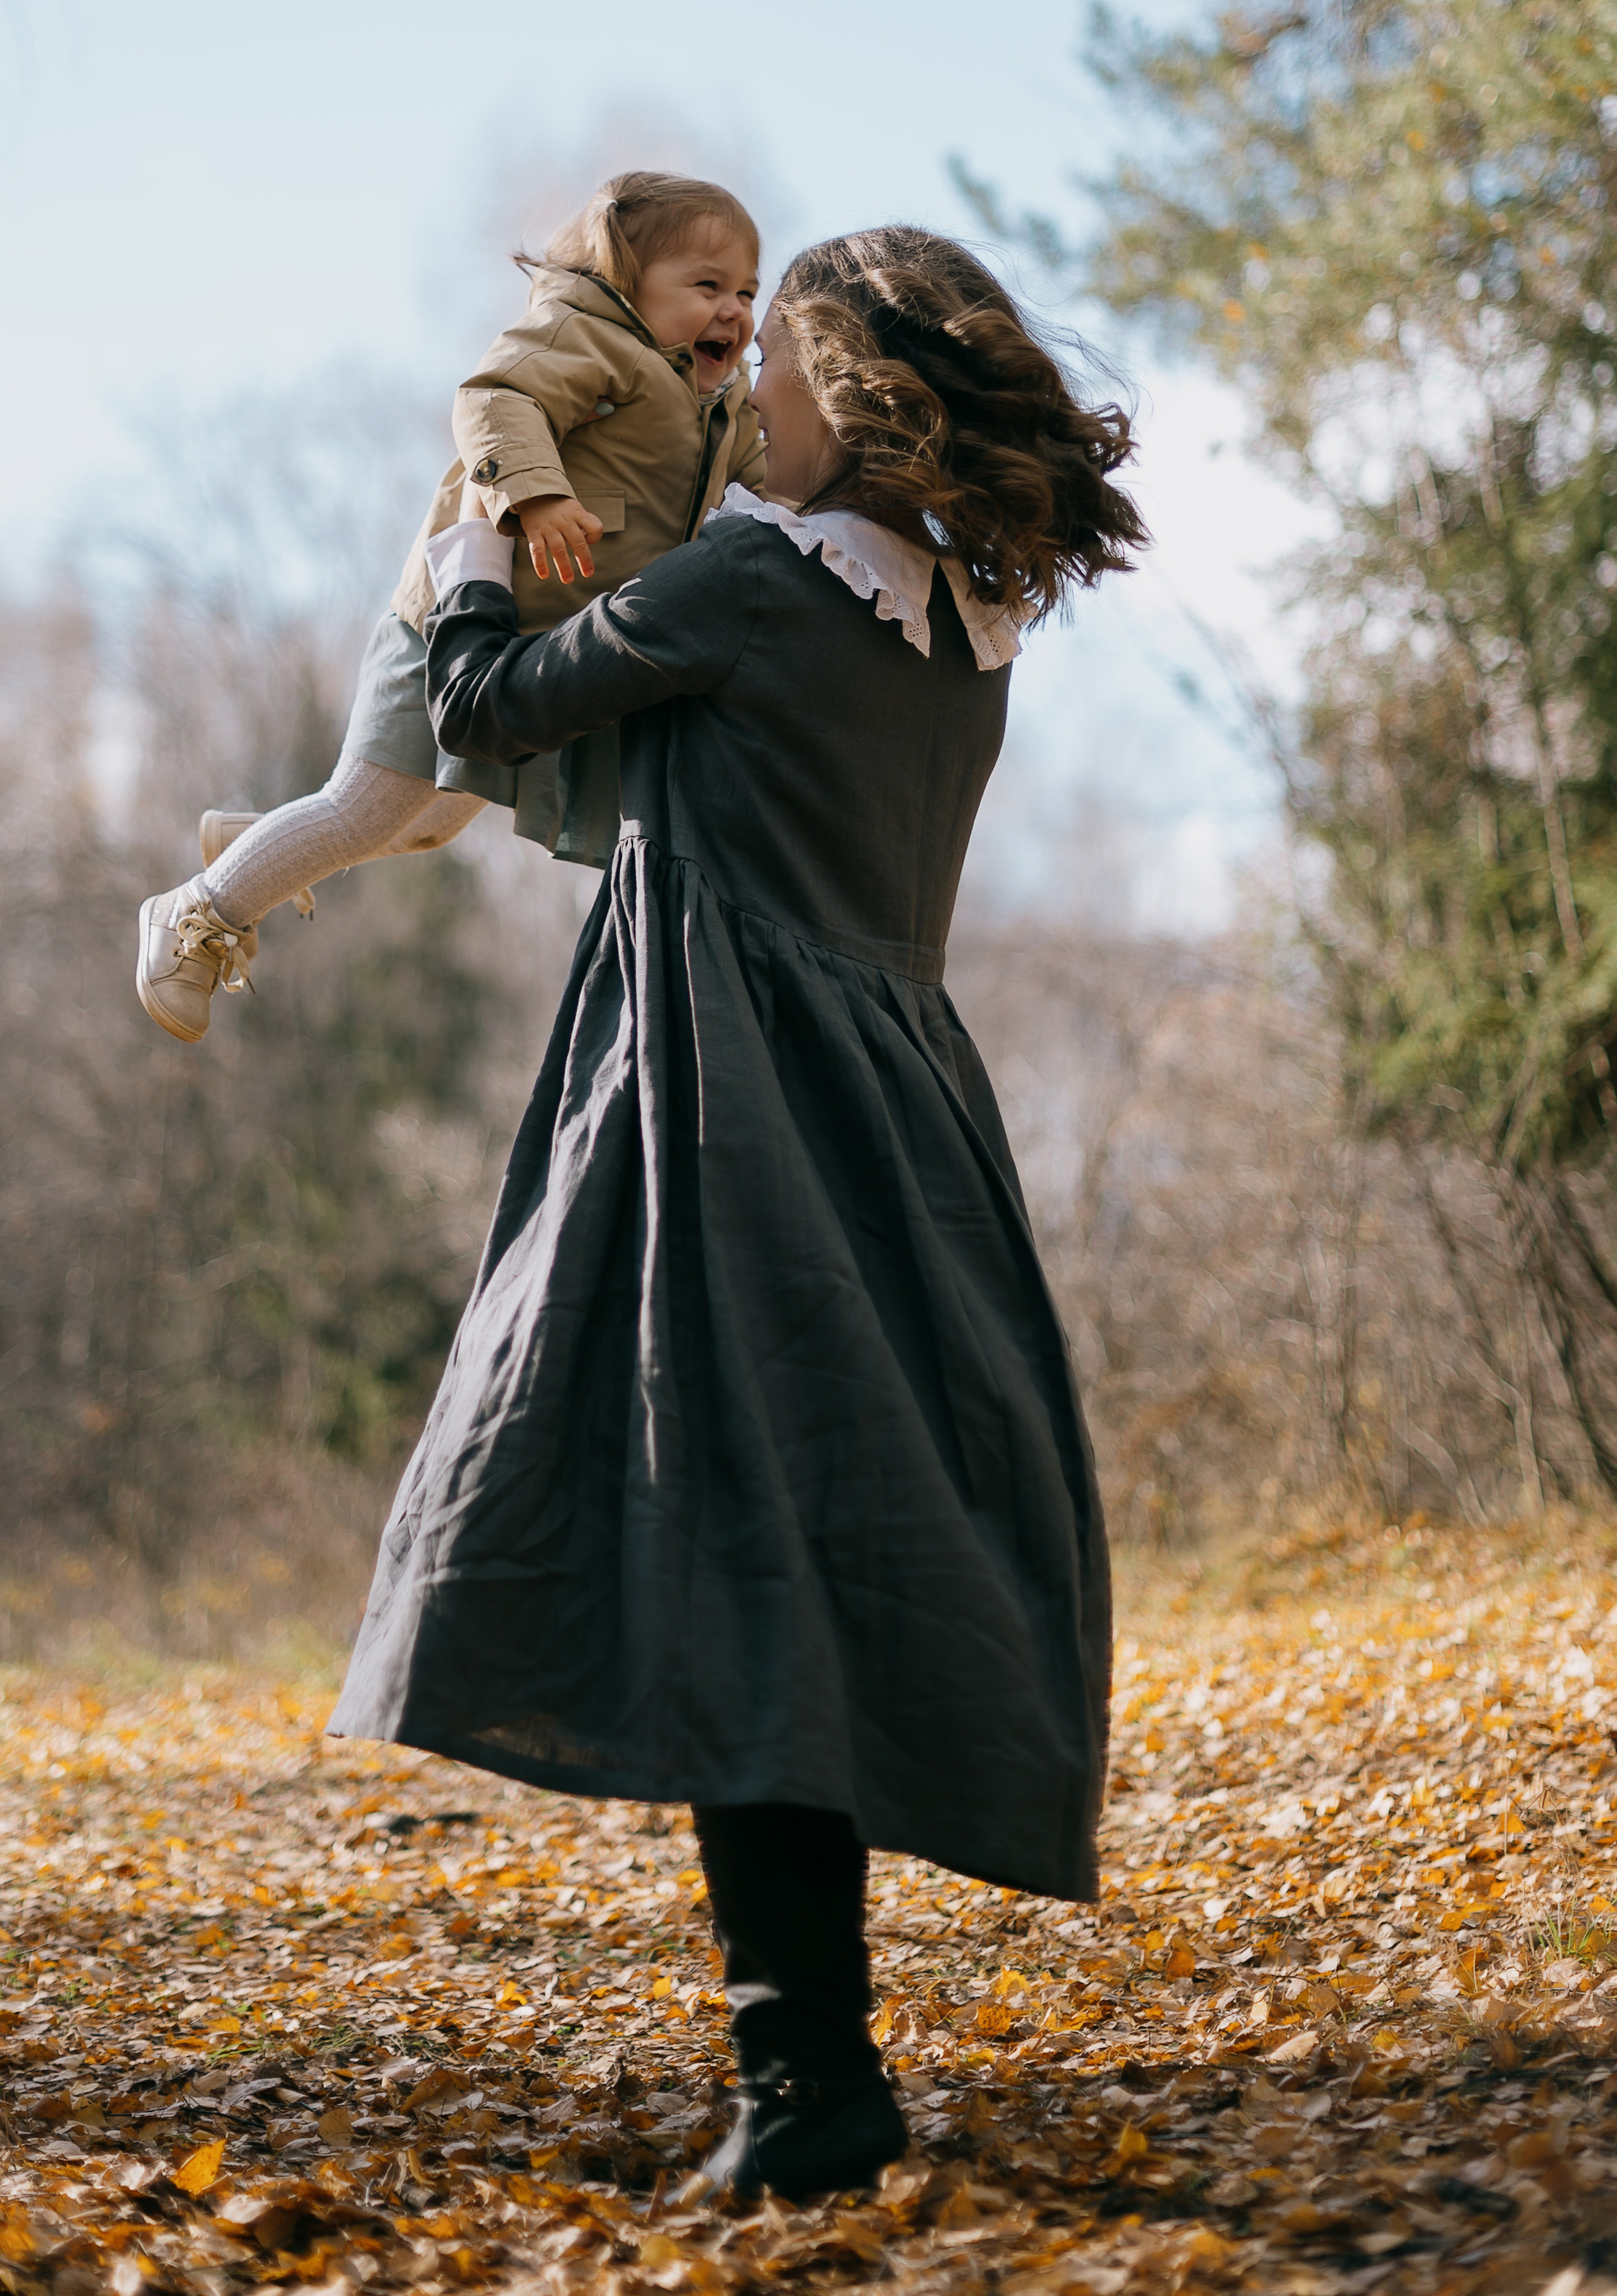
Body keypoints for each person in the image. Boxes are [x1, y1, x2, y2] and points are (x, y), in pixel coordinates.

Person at [327, 227, 1147, 2199]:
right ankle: (812, 2063)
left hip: (726, 1093)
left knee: (726, 1548)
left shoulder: (763, 580)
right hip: (904, 1107)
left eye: (766, 364)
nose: (738, 395)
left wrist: (466, 529)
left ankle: (809, 2079)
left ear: (846, 390)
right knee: (802, 1559)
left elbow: (489, 709)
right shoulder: (963, 622)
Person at [134, 171, 764, 1041]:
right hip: (451, 626)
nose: (733, 311)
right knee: (370, 812)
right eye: (706, 287)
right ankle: (193, 911)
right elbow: (496, 400)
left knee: (426, 823)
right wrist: (535, 496)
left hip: (527, 655)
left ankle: (267, 848)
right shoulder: (591, 337)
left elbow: (774, 501)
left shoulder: (723, 411)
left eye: (746, 292)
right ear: (627, 283)